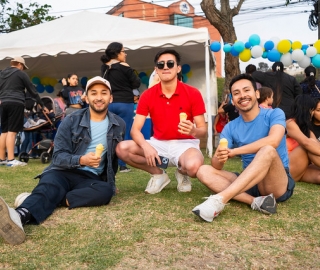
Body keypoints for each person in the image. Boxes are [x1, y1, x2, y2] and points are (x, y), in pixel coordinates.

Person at [0, 76, 125, 245]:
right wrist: (81, 160)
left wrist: (111, 182)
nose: (99, 97)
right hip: (63, 171)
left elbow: (113, 158)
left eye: (104, 93)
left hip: (91, 178)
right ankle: (19, 217)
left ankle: (45, 198)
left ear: (110, 97)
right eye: (93, 93)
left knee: (105, 192)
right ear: (86, 98)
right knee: (51, 184)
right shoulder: (71, 120)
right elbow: (58, 156)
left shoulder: (119, 124)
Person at [192, 74, 295, 222]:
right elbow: (216, 165)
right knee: (203, 170)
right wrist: (220, 157)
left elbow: (273, 141)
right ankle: (255, 202)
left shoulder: (275, 114)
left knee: (267, 150)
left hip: (275, 182)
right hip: (249, 180)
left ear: (257, 94)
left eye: (246, 90)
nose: (242, 96)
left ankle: (219, 200)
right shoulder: (230, 127)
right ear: (233, 101)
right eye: (236, 93)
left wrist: (234, 151)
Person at [116, 49, 207, 194]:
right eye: (161, 64)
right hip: (158, 144)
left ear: (178, 68)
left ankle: (182, 172)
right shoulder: (147, 95)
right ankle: (158, 174)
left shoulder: (193, 93)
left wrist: (194, 130)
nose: (165, 67)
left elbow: (203, 130)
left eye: (170, 64)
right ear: (156, 70)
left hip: (185, 145)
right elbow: (135, 130)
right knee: (122, 148)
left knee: (194, 167)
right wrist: (146, 146)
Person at [0, 56, 48, 167]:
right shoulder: (21, 74)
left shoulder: (1, 74)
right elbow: (32, 91)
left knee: (4, 132)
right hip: (16, 103)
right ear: (20, 65)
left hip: (4, 103)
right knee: (12, 131)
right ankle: (11, 160)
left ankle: (2, 159)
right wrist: (42, 104)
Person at [101, 42, 141, 173]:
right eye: (124, 51)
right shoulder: (124, 67)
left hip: (109, 104)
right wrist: (128, 68)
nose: (125, 53)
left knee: (108, 133)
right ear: (117, 53)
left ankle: (106, 161)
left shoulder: (105, 68)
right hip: (125, 103)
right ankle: (122, 164)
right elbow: (136, 83)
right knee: (124, 132)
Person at [286, 94, 320, 184]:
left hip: (301, 168)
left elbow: (316, 143)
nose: (312, 113)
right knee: (307, 145)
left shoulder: (306, 127)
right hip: (286, 169)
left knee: (318, 176)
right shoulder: (289, 123)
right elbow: (306, 143)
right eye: (312, 110)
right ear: (306, 110)